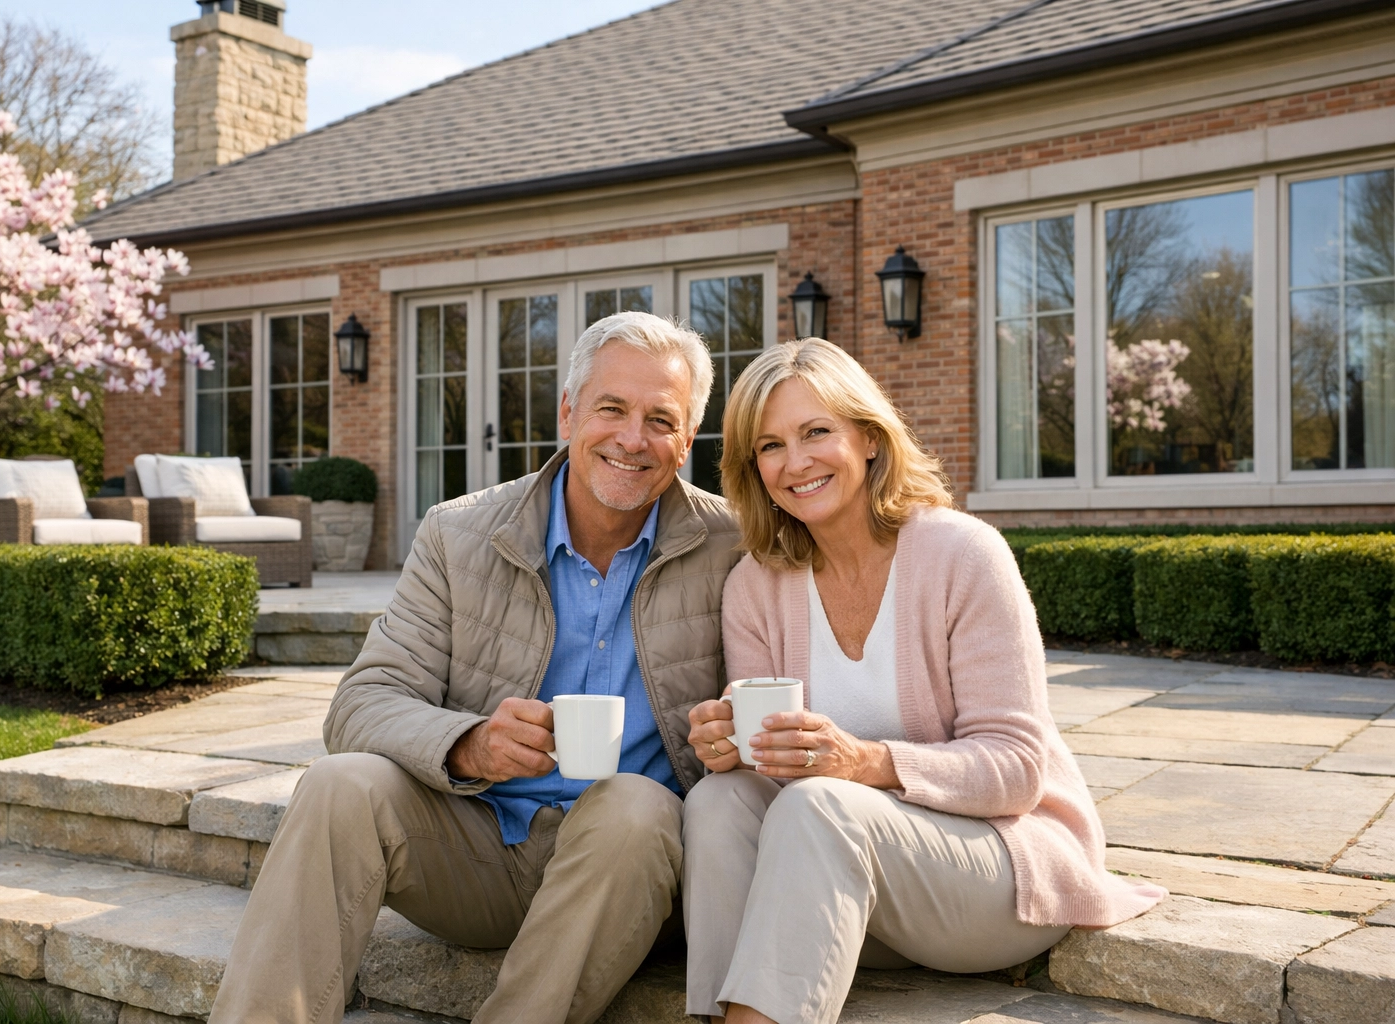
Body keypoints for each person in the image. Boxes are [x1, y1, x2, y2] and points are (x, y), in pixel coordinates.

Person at [210, 312, 743, 1024]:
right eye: (611, 408)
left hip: (630, 873)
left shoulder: (732, 547)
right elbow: (361, 703)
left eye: (660, 419)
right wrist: (471, 744)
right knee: (341, 783)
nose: (631, 438)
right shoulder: (457, 532)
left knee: (636, 807)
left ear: (686, 442)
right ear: (568, 413)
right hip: (480, 849)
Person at [680, 338, 1166, 1024]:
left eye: (817, 432)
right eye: (770, 446)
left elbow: (1017, 769)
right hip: (858, 891)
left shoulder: (963, 555)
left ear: (870, 439)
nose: (796, 462)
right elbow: (775, 771)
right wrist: (734, 745)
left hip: (996, 879)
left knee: (821, 804)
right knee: (719, 800)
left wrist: (863, 762)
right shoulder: (755, 587)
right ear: (753, 468)